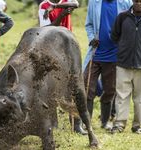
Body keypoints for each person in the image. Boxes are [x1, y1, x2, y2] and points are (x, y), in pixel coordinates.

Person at [110, 0, 141, 134]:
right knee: (122, 95)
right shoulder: (122, 17)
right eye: (136, 1)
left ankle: (137, 125)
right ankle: (119, 125)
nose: (138, 3)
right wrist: (124, 47)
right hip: (123, 63)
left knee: (140, 97)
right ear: (132, 1)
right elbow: (114, 35)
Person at [39, 0, 86, 135]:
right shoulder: (43, 6)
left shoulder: (65, 2)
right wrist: (61, 16)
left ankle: (76, 124)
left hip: (69, 48)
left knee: (74, 86)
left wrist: (56, 7)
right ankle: (53, 124)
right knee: (51, 87)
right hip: (52, 48)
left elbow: (76, 4)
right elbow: (46, 30)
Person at [83, 0, 132, 130]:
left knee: (110, 90)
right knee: (87, 87)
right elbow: (88, 24)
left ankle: (105, 122)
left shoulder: (125, 3)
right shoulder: (94, 2)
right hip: (95, 54)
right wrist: (91, 37)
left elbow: (132, 22)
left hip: (114, 55)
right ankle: (86, 123)